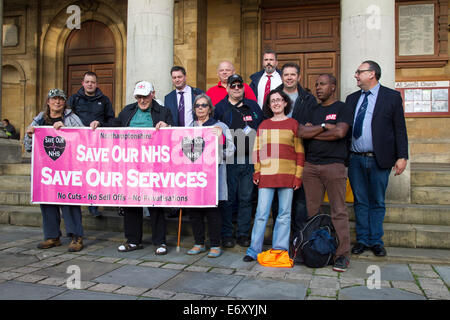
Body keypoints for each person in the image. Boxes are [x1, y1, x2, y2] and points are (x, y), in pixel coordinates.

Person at [346, 60, 408, 257]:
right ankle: (362, 240)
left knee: (377, 201)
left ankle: (376, 241)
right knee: (360, 201)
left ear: (371, 74)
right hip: (355, 159)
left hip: (380, 159)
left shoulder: (391, 97)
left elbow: (400, 128)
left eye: (359, 72)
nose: (356, 75)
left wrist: (402, 156)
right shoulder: (352, 98)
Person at [297, 74, 352, 272]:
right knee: (313, 212)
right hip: (311, 167)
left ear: (333, 87)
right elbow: (302, 132)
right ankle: (316, 250)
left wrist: (316, 132)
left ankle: (342, 255)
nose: (318, 88)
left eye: (323, 84)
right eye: (317, 84)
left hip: (334, 166)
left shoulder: (343, 108)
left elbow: (340, 133)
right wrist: (324, 127)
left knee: (338, 210)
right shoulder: (312, 108)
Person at [243, 89, 304, 262]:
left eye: (279, 100)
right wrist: (257, 170)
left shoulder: (294, 124)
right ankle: (253, 250)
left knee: (284, 214)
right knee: (261, 213)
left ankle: (280, 250)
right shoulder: (264, 125)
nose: (276, 103)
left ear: (285, 103)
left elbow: (300, 152)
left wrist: (298, 176)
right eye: (272, 101)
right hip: (267, 175)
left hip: (287, 175)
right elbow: (257, 150)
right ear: (269, 105)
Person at [114, 81, 173, 255]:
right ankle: (133, 240)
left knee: (155, 203)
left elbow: (175, 133)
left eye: (145, 96)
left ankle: (159, 241)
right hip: (131, 164)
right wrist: (98, 125)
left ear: (153, 94)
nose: (142, 100)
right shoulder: (127, 111)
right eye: (139, 97)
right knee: (131, 203)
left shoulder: (163, 111)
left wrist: (167, 127)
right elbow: (114, 127)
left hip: (154, 164)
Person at [24, 89, 85, 252]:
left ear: (64, 102)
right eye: (54, 99)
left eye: (60, 99)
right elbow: (29, 147)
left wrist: (66, 130)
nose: (57, 102)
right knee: (47, 202)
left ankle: (76, 236)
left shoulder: (72, 118)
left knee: (69, 202)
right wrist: (29, 135)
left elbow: (83, 138)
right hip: (45, 170)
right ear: (48, 102)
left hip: (68, 169)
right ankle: (52, 236)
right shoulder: (39, 119)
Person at [214, 74, 264, 248]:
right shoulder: (219, 108)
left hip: (249, 159)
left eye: (239, 85)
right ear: (227, 88)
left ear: (243, 87)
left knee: (246, 198)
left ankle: (243, 234)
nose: (236, 88)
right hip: (228, 159)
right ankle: (227, 234)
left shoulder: (253, 106)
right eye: (233, 85)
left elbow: (262, 129)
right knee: (227, 199)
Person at [271, 62, 318, 236]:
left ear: (298, 77)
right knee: (278, 199)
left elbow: (312, 124)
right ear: (281, 77)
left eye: (293, 74)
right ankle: (280, 237)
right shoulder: (273, 95)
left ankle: (298, 238)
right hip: (277, 155)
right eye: (286, 74)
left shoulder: (308, 98)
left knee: (299, 198)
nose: (289, 77)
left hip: (300, 153)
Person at [185, 94, 235, 258]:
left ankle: (215, 244)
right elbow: (182, 150)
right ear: (194, 109)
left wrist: (219, 140)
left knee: (212, 211)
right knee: (194, 211)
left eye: (204, 105)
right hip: (194, 176)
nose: (200, 108)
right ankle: (198, 242)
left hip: (213, 176)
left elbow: (231, 150)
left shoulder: (220, 126)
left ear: (210, 108)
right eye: (198, 105)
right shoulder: (189, 127)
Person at [67, 71, 115, 217]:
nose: (90, 84)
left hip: (97, 144)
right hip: (77, 144)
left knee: (93, 174)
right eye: (87, 82)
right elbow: (66, 118)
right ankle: (71, 204)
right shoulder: (73, 99)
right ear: (83, 83)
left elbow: (112, 121)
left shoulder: (105, 100)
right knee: (75, 174)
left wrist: (100, 124)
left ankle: (93, 205)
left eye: (92, 82)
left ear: (97, 84)